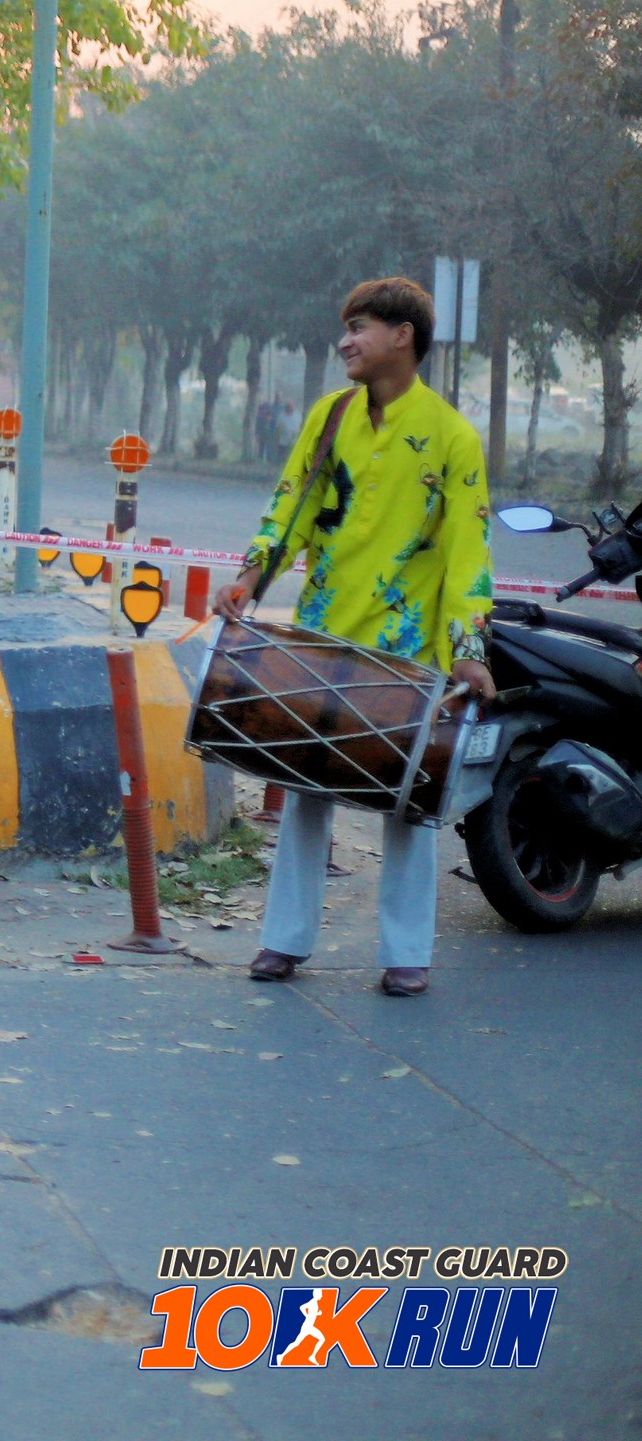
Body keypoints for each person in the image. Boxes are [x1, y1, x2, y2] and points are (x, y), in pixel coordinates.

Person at [223, 277, 493, 998]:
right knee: (304, 786)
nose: (345, 342)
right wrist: (251, 577)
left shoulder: (452, 437)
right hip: (321, 635)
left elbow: (468, 552)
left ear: (403, 336)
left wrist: (469, 654)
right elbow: (292, 504)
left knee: (408, 801)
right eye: (346, 329)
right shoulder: (330, 416)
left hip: (408, 647)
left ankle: (407, 954)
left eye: (359, 328)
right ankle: (283, 940)